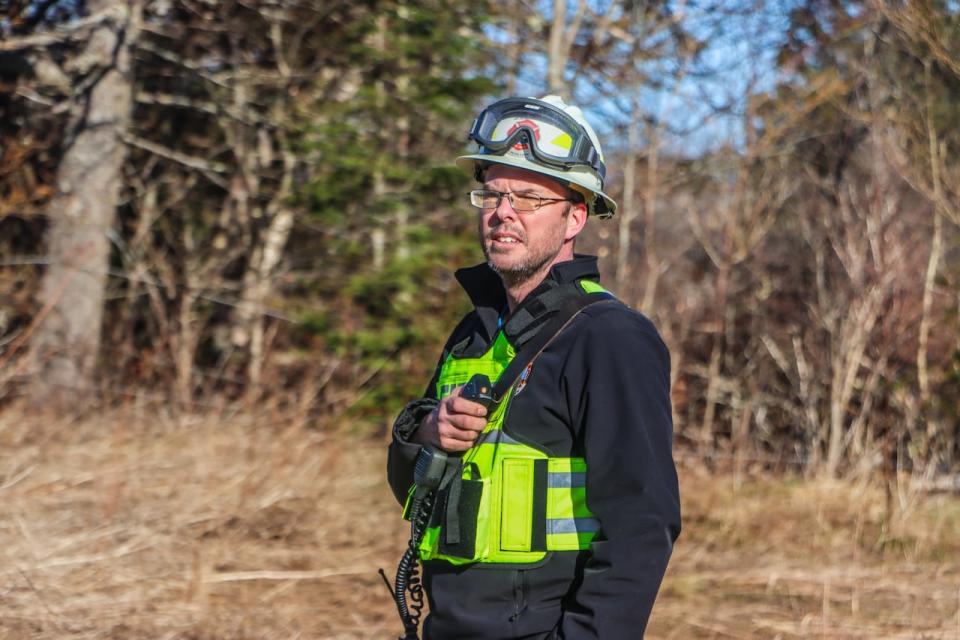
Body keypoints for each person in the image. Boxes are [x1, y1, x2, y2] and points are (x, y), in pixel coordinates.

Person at [387, 95, 680, 639]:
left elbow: (642, 525)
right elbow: (411, 491)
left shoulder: (611, 337)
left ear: (575, 217)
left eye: (529, 197)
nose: (504, 211)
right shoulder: (473, 333)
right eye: (493, 193)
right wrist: (427, 431)